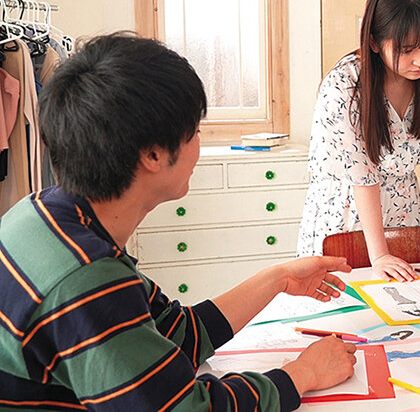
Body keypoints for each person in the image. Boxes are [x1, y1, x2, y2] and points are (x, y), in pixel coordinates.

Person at [0, 33, 357, 410]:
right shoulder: (87, 276)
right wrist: (302, 374)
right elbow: (184, 408)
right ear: (153, 154)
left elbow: (176, 333)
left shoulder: (42, 213)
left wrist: (279, 278)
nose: (198, 147)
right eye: (195, 132)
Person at [297, 0, 420, 281]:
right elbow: (362, 177)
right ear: (375, 42)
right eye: (407, 49)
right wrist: (379, 255)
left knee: (409, 302)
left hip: (405, 214)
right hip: (346, 215)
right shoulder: (344, 86)